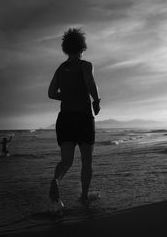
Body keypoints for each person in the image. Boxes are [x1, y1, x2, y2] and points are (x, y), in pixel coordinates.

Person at [48, 28, 101, 212]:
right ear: (82, 47)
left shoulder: (60, 69)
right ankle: (84, 196)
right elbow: (90, 82)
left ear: (66, 48)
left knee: (66, 161)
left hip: (65, 119)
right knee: (87, 161)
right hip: (83, 118)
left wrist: (67, 96)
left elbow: (51, 93)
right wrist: (96, 101)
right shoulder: (85, 65)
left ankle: (56, 181)